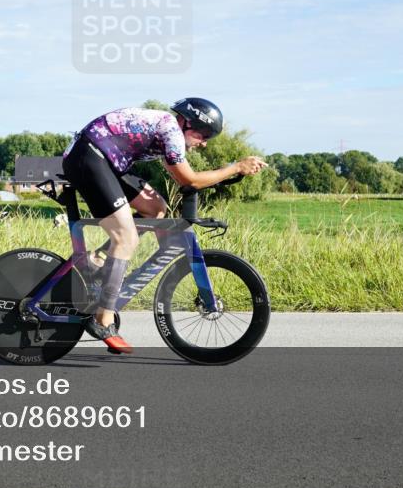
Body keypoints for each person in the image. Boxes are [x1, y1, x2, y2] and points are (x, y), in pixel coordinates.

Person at [61, 98, 266, 354]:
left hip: (109, 159)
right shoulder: (171, 131)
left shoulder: (170, 129)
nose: (203, 143)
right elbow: (189, 179)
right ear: (187, 123)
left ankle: (99, 258)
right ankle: (102, 319)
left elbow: (185, 181)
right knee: (126, 239)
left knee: (155, 208)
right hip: (90, 156)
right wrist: (235, 167)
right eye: (203, 135)